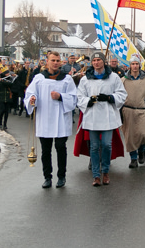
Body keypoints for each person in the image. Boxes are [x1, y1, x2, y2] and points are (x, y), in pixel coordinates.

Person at [26, 51, 77, 188]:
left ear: (61, 62)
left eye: (57, 60)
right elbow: (30, 93)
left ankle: (62, 176)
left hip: (61, 119)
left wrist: (60, 96)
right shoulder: (39, 78)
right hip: (45, 119)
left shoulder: (66, 79)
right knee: (46, 150)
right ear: (47, 61)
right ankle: (47, 177)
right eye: (53, 60)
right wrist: (32, 99)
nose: (55, 63)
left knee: (61, 148)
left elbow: (73, 98)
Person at [77, 51, 126, 187]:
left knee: (106, 144)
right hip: (92, 116)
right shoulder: (85, 79)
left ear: (104, 61)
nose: (96, 62)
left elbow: (122, 94)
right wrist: (88, 101)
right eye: (94, 60)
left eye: (98, 60)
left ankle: (105, 171)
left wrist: (110, 98)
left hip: (107, 116)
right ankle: (96, 175)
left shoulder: (113, 77)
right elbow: (80, 96)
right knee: (94, 147)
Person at [120, 55, 145, 169]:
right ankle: (133, 158)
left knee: (143, 134)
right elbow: (119, 96)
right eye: (132, 64)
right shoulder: (124, 80)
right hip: (128, 110)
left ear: (140, 65)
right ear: (129, 66)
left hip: (141, 110)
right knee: (130, 136)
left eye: (136, 64)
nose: (135, 66)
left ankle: (141, 151)